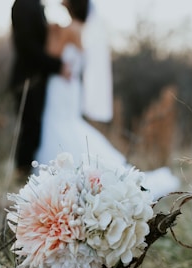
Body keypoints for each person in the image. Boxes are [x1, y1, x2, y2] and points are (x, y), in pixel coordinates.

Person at [35, 0, 127, 168]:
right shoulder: (82, 29)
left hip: (60, 86)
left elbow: (52, 53)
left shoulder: (69, 29)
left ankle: (64, 166)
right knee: (68, 123)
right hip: (72, 87)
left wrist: (51, 32)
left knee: (58, 124)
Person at [9, 0, 71, 178]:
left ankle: (29, 174)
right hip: (28, 81)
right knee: (30, 128)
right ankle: (22, 174)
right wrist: (57, 65)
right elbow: (27, 47)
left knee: (35, 128)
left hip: (39, 80)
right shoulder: (23, 5)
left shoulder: (35, 5)